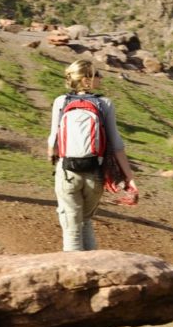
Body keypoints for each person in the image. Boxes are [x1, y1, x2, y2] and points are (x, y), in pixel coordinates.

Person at [48, 59, 137, 251]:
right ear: (87, 79)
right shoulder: (104, 103)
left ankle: (75, 276)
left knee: (71, 228)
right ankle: (91, 271)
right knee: (86, 221)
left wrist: (55, 160)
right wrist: (129, 178)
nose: (101, 78)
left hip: (67, 172)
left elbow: (52, 142)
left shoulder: (61, 102)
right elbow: (117, 145)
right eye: (97, 74)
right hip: (94, 173)